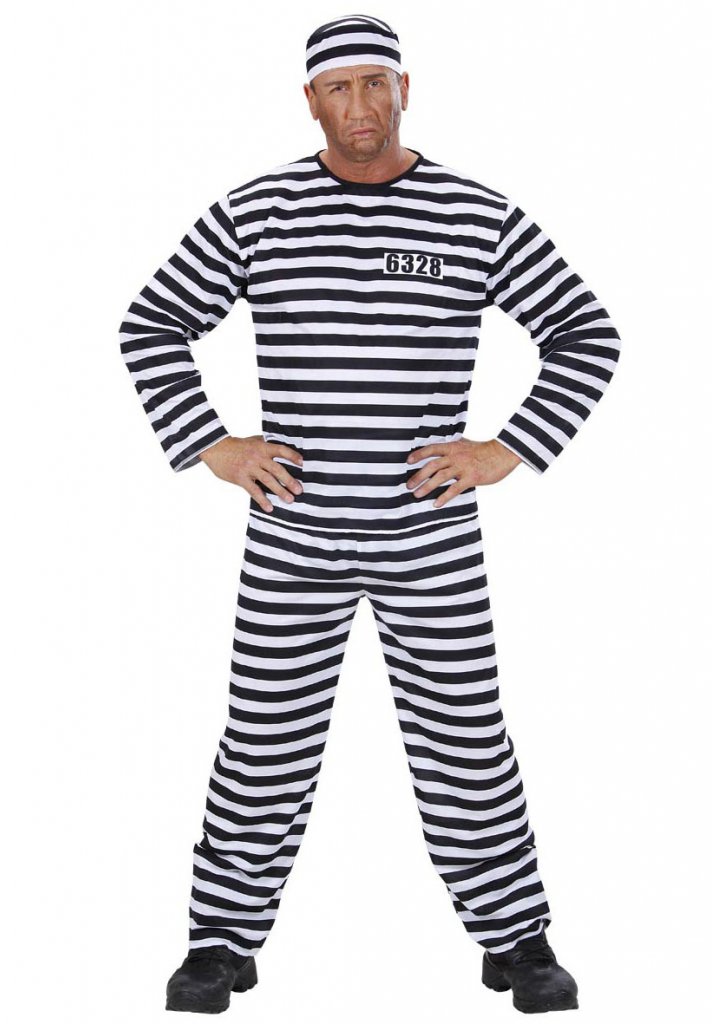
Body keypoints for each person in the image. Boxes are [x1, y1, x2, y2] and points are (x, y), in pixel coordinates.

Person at [119, 13, 621, 1015]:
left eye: (375, 83)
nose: (361, 105)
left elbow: (585, 331)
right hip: (293, 533)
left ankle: (515, 938)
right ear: (310, 100)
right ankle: (220, 941)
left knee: (466, 739)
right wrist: (214, 445)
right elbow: (153, 322)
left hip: (428, 536)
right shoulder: (256, 213)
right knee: (263, 741)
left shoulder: (475, 215)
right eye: (339, 87)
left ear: (405, 89)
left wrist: (506, 449)